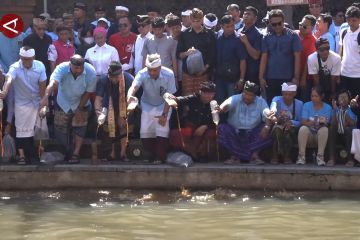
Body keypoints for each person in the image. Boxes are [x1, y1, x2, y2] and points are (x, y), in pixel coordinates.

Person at [39, 55, 97, 163]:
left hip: (81, 102)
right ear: (70, 65)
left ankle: (76, 153)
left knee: (80, 127)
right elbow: (53, 83)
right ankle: (64, 152)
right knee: (60, 128)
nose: (78, 70)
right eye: (76, 68)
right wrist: (46, 97)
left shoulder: (91, 71)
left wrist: (79, 108)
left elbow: (89, 92)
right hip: (63, 102)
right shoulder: (61, 68)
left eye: (80, 68)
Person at [127, 54, 177, 164]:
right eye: (150, 70)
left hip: (164, 105)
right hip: (147, 105)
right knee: (145, 132)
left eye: (154, 70)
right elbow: (134, 87)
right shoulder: (142, 73)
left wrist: (164, 115)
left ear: (160, 67)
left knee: (162, 131)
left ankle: (160, 157)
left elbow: (169, 97)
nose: (152, 73)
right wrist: (130, 96)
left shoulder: (169, 74)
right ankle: (150, 156)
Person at [0, 47, 47, 164]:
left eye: (29, 59)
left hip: (37, 102)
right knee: (21, 131)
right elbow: (9, 79)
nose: (27, 62)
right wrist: (5, 91)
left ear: (33, 58)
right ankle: (22, 156)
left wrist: (43, 103)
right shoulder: (14, 67)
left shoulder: (40, 66)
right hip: (21, 103)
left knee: (39, 131)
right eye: (24, 59)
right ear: (20, 58)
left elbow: (42, 85)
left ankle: (37, 156)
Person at [217, 81, 272, 164]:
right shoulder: (235, 98)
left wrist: (267, 126)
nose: (246, 96)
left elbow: (267, 113)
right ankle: (235, 156)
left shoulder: (261, 101)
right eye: (245, 93)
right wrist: (221, 108)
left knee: (268, 128)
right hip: (235, 132)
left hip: (252, 132)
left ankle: (254, 156)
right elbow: (227, 104)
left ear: (255, 96)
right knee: (222, 128)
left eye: (250, 95)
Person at [259, 9, 302, 104]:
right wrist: (261, 77)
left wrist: (296, 77)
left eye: (279, 23)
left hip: (288, 78)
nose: (277, 26)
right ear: (270, 23)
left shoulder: (293, 36)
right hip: (270, 78)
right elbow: (264, 58)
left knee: (288, 106)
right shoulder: (266, 37)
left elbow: (297, 58)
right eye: (274, 24)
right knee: (272, 105)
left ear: (283, 21)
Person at [95, 61, 133, 161]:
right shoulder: (103, 80)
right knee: (107, 122)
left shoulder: (129, 80)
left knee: (124, 125)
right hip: (108, 107)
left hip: (126, 107)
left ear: (121, 74)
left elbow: (132, 101)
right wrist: (98, 113)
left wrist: (123, 116)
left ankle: (123, 153)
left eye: (116, 77)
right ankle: (110, 153)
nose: (114, 80)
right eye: (111, 77)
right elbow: (98, 99)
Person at [169, 81, 217, 162]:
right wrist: (172, 98)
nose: (208, 96)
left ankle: (204, 154)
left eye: (210, 93)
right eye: (205, 93)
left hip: (203, 131)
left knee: (212, 133)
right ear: (200, 92)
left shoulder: (214, 104)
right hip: (190, 129)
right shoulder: (192, 99)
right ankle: (192, 154)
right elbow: (178, 99)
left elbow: (216, 121)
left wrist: (206, 126)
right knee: (177, 133)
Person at [177, 8, 216, 95]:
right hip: (187, 74)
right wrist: (187, 53)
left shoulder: (210, 34)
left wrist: (204, 69)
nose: (196, 23)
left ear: (202, 19)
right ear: (190, 19)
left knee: (202, 100)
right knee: (186, 100)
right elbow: (178, 54)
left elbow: (213, 55)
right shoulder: (184, 34)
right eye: (194, 21)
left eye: (198, 21)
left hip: (203, 74)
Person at [263, 82, 303, 164]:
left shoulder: (299, 104)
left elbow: (300, 122)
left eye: (290, 94)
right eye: (285, 94)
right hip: (278, 124)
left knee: (287, 130)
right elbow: (273, 109)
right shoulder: (276, 99)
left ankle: (286, 156)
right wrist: (277, 117)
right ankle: (275, 156)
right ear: (282, 93)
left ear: (294, 94)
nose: (287, 96)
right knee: (277, 129)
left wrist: (291, 122)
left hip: (291, 128)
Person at [296, 86, 332, 166]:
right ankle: (301, 157)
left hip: (320, 136)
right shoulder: (306, 105)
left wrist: (320, 122)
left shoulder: (328, 107)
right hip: (309, 136)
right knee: (303, 129)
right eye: (312, 96)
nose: (313, 98)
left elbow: (326, 123)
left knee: (324, 129)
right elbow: (304, 122)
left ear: (321, 96)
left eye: (316, 96)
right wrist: (316, 121)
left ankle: (320, 157)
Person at [215, 15, 247, 104]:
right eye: (227, 26)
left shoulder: (238, 39)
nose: (231, 29)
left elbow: (243, 60)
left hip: (233, 79)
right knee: (220, 103)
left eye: (232, 26)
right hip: (219, 78)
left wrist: (241, 79)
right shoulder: (218, 36)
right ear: (221, 26)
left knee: (232, 104)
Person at [328, 90, 357, 167]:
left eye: (345, 97)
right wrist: (335, 110)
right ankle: (331, 158)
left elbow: (352, 123)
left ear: (349, 99)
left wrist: (343, 113)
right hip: (338, 133)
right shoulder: (335, 109)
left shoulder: (352, 109)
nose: (343, 99)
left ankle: (350, 160)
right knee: (331, 128)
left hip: (348, 135)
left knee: (347, 130)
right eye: (341, 97)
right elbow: (333, 123)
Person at [307, 38, 341, 103]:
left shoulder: (336, 58)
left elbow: (333, 78)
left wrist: (332, 93)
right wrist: (319, 94)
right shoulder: (311, 58)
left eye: (327, 48)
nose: (325, 51)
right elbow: (315, 79)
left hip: (331, 83)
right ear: (317, 50)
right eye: (322, 49)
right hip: (319, 82)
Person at [238, 6, 263, 87]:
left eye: (248, 14)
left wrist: (246, 42)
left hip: (252, 73)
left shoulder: (258, 34)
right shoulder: (238, 31)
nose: (245, 16)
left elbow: (256, 56)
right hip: (238, 72)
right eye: (244, 14)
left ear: (255, 18)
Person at [339, 6, 360, 99]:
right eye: (349, 20)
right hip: (344, 74)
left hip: (358, 75)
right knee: (344, 103)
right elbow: (341, 52)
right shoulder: (343, 32)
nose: (351, 23)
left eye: (354, 20)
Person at [297, 15, 317, 102]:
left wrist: (303, 78)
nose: (301, 27)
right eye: (300, 24)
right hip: (292, 75)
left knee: (303, 101)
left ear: (312, 28)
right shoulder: (294, 35)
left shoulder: (314, 41)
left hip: (305, 78)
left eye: (304, 26)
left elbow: (309, 61)